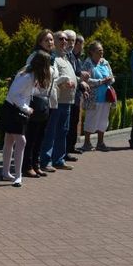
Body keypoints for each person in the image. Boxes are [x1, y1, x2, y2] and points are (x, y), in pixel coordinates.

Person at [0, 51, 52, 187]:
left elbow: (24, 92)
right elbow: (14, 94)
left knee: (9, 140)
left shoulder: (31, 74)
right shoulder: (28, 76)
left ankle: (6, 173)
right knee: (21, 141)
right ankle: (18, 176)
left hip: (14, 108)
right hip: (13, 109)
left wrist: (35, 92)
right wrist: (25, 108)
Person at [38, 31, 78, 172]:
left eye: (66, 39)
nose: (64, 41)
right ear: (54, 41)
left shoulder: (66, 57)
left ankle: (59, 160)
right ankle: (46, 161)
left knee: (63, 131)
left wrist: (79, 81)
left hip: (68, 101)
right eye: (60, 38)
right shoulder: (53, 57)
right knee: (51, 131)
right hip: (57, 101)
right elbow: (51, 78)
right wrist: (63, 83)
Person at [21, 30, 58, 177]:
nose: (50, 42)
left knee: (41, 135)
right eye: (46, 40)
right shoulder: (35, 56)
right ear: (39, 42)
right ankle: (27, 166)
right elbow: (30, 76)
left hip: (46, 101)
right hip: (35, 100)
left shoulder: (52, 58)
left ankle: (36, 164)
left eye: (51, 40)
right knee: (31, 135)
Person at [80, 41, 115, 151]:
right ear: (91, 52)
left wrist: (110, 80)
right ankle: (87, 143)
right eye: (99, 50)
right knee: (91, 119)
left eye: (102, 50)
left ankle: (100, 143)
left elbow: (112, 77)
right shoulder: (87, 63)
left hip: (106, 97)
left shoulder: (105, 62)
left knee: (103, 120)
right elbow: (86, 80)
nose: (101, 52)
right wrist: (101, 81)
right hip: (93, 97)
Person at [66, 33, 90, 155]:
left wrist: (84, 89)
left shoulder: (77, 59)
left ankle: (71, 147)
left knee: (74, 121)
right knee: (68, 124)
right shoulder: (68, 57)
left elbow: (78, 75)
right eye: (81, 43)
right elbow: (70, 76)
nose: (82, 46)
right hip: (68, 95)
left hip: (76, 94)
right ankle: (65, 150)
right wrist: (81, 78)